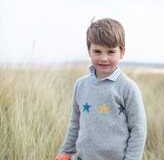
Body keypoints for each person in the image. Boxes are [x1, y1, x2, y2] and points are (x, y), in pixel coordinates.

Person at [55, 18, 147, 160]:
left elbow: (138, 129)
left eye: (111, 52)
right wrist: (66, 151)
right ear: (89, 51)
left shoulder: (128, 88)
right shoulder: (81, 85)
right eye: (97, 51)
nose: (104, 58)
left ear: (121, 52)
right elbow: (75, 123)